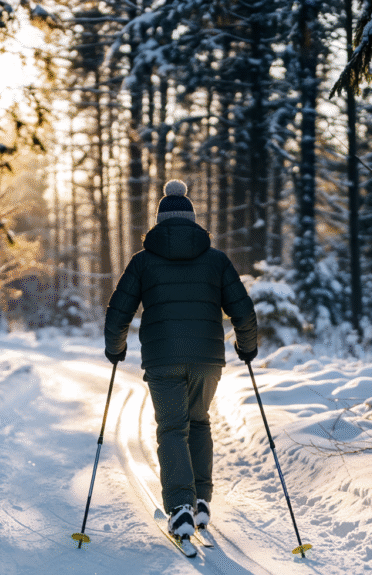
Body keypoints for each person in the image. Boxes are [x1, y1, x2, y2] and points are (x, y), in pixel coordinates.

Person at [104, 179, 257, 542]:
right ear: (192, 221)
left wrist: (115, 348)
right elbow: (243, 311)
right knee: (199, 422)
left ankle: (180, 507)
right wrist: (247, 346)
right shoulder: (216, 261)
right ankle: (201, 500)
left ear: (159, 222)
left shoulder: (143, 262)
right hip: (207, 359)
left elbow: (118, 312)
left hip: (162, 359)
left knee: (172, 428)